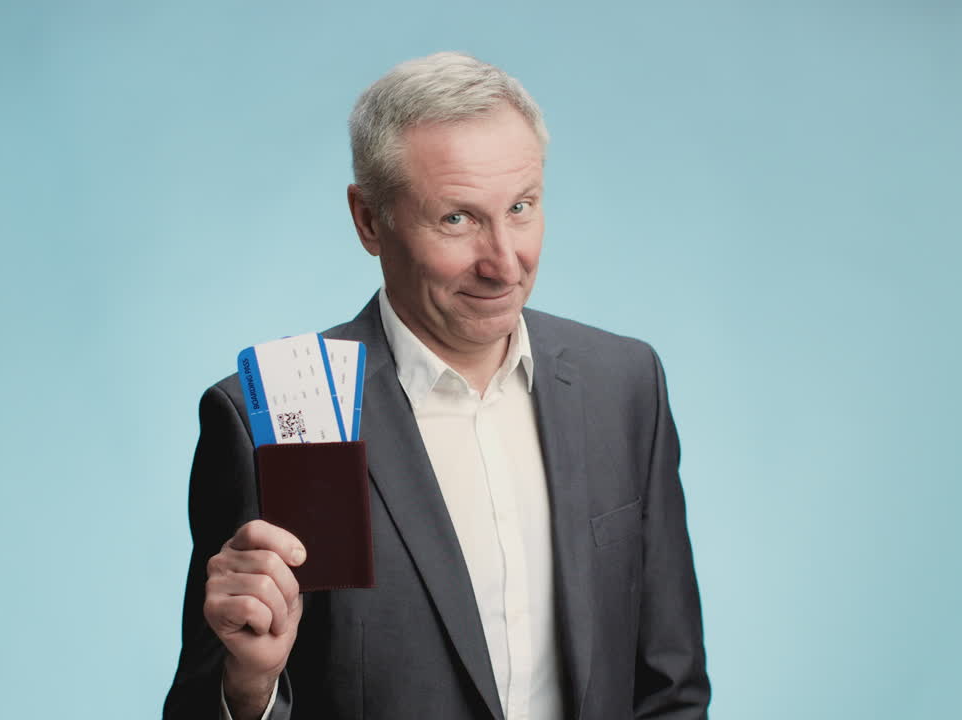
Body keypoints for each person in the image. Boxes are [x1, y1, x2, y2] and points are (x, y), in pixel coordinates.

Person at [163, 52, 710, 720]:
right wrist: (250, 683)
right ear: (369, 220)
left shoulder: (623, 384)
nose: (504, 263)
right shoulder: (270, 415)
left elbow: (672, 687)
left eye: (520, 207)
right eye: (458, 219)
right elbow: (198, 704)